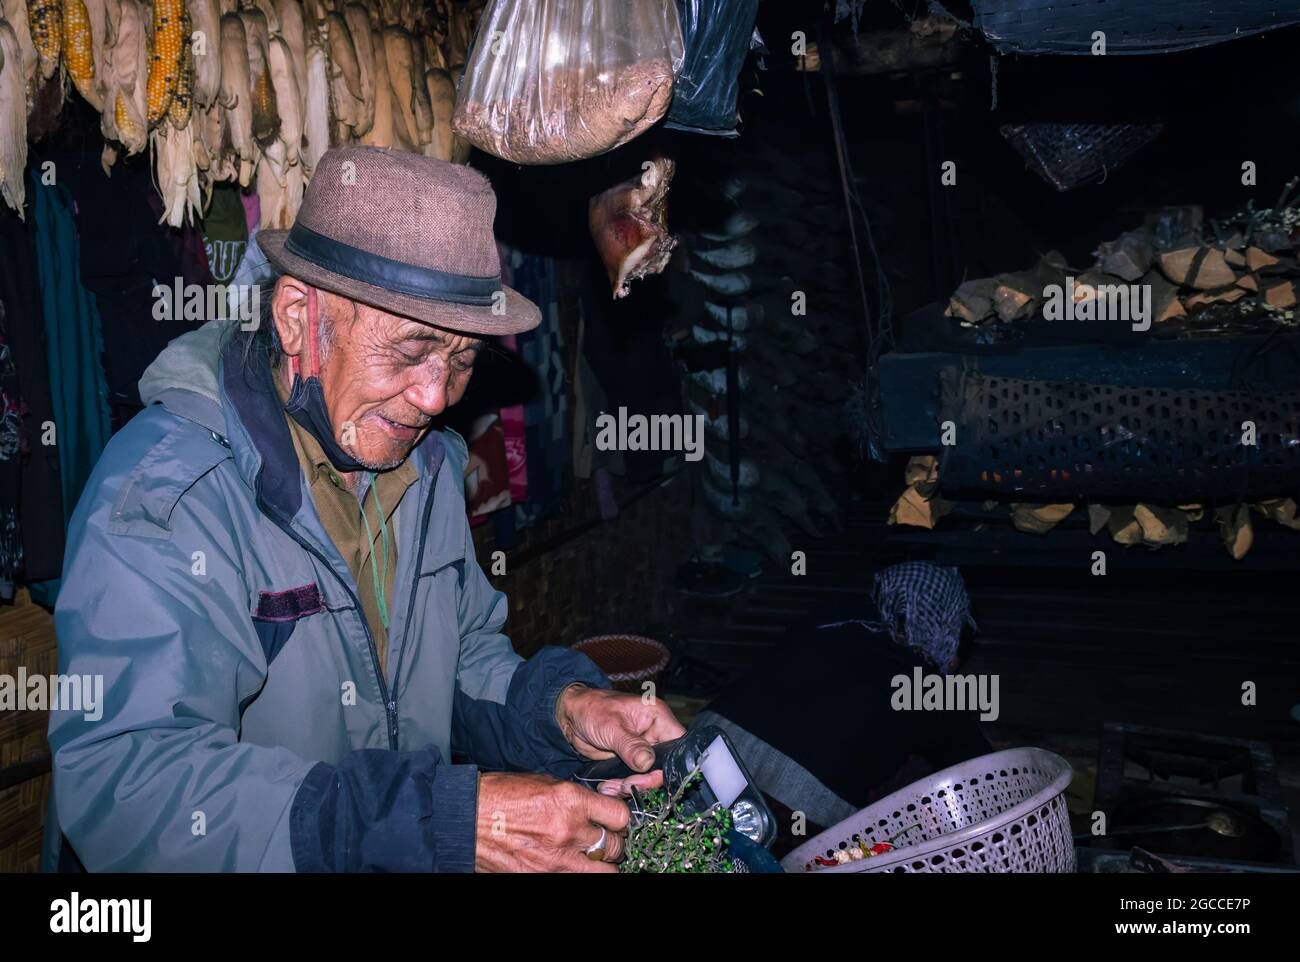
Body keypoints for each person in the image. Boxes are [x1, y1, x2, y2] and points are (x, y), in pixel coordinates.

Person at [43, 147, 684, 873]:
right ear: (297, 320)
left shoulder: (428, 468)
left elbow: (463, 658)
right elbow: (130, 788)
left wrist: (562, 710)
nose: (437, 397)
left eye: (464, 360)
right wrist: (423, 823)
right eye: (412, 351)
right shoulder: (170, 495)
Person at [693, 561, 992, 852]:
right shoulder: (922, 680)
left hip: (702, 751)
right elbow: (981, 766)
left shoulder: (828, 616)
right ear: (947, 625)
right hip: (792, 806)